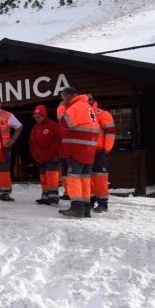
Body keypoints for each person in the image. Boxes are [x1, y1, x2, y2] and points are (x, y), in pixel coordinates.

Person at [58, 87, 100, 218]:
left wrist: (61, 109)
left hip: (77, 149)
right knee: (84, 179)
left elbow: (65, 122)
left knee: (73, 178)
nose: (63, 101)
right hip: (88, 150)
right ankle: (86, 208)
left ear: (68, 96)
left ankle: (76, 208)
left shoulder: (76, 106)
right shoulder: (87, 107)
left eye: (63, 98)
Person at [87, 93, 116, 213]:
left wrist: (106, 148)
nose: (87, 101)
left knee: (100, 178)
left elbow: (110, 132)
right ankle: (90, 200)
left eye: (90, 99)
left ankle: (103, 203)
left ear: (93, 99)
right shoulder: (80, 114)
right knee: (87, 178)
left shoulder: (103, 114)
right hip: (85, 152)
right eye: (85, 99)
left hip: (99, 151)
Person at [0, 97, 23, 201]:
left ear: (1, 103)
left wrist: (13, 140)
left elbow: (19, 126)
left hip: (3, 148)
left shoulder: (7, 115)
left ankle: (4, 193)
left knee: (3, 170)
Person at [29, 105, 62, 205]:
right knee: (43, 177)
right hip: (41, 158)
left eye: (38, 117)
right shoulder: (35, 128)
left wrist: (52, 151)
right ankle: (45, 196)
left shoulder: (53, 125)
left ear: (44, 115)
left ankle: (53, 197)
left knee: (51, 176)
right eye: (35, 117)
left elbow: (59, 139)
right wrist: (35, 155)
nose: (37, 119)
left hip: (52, 156)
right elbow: (32, 143)